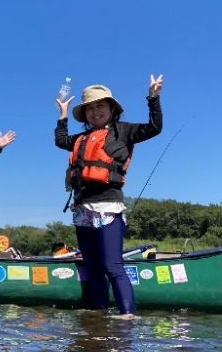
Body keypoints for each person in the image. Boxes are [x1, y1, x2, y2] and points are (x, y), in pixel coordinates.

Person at [55, 75, 164, 319]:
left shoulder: (123, 131)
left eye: (100, 106)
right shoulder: (79, 140)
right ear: (84, 115)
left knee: (112, 266)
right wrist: (62, 114)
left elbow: (154, 128)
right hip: (82, 210)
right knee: (94, 268)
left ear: (111, 109)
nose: (95, 112)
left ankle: (126, 317)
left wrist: (153, 98)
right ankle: (98, 316)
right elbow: (60, 140)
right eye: (90, 108)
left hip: (108, 207)